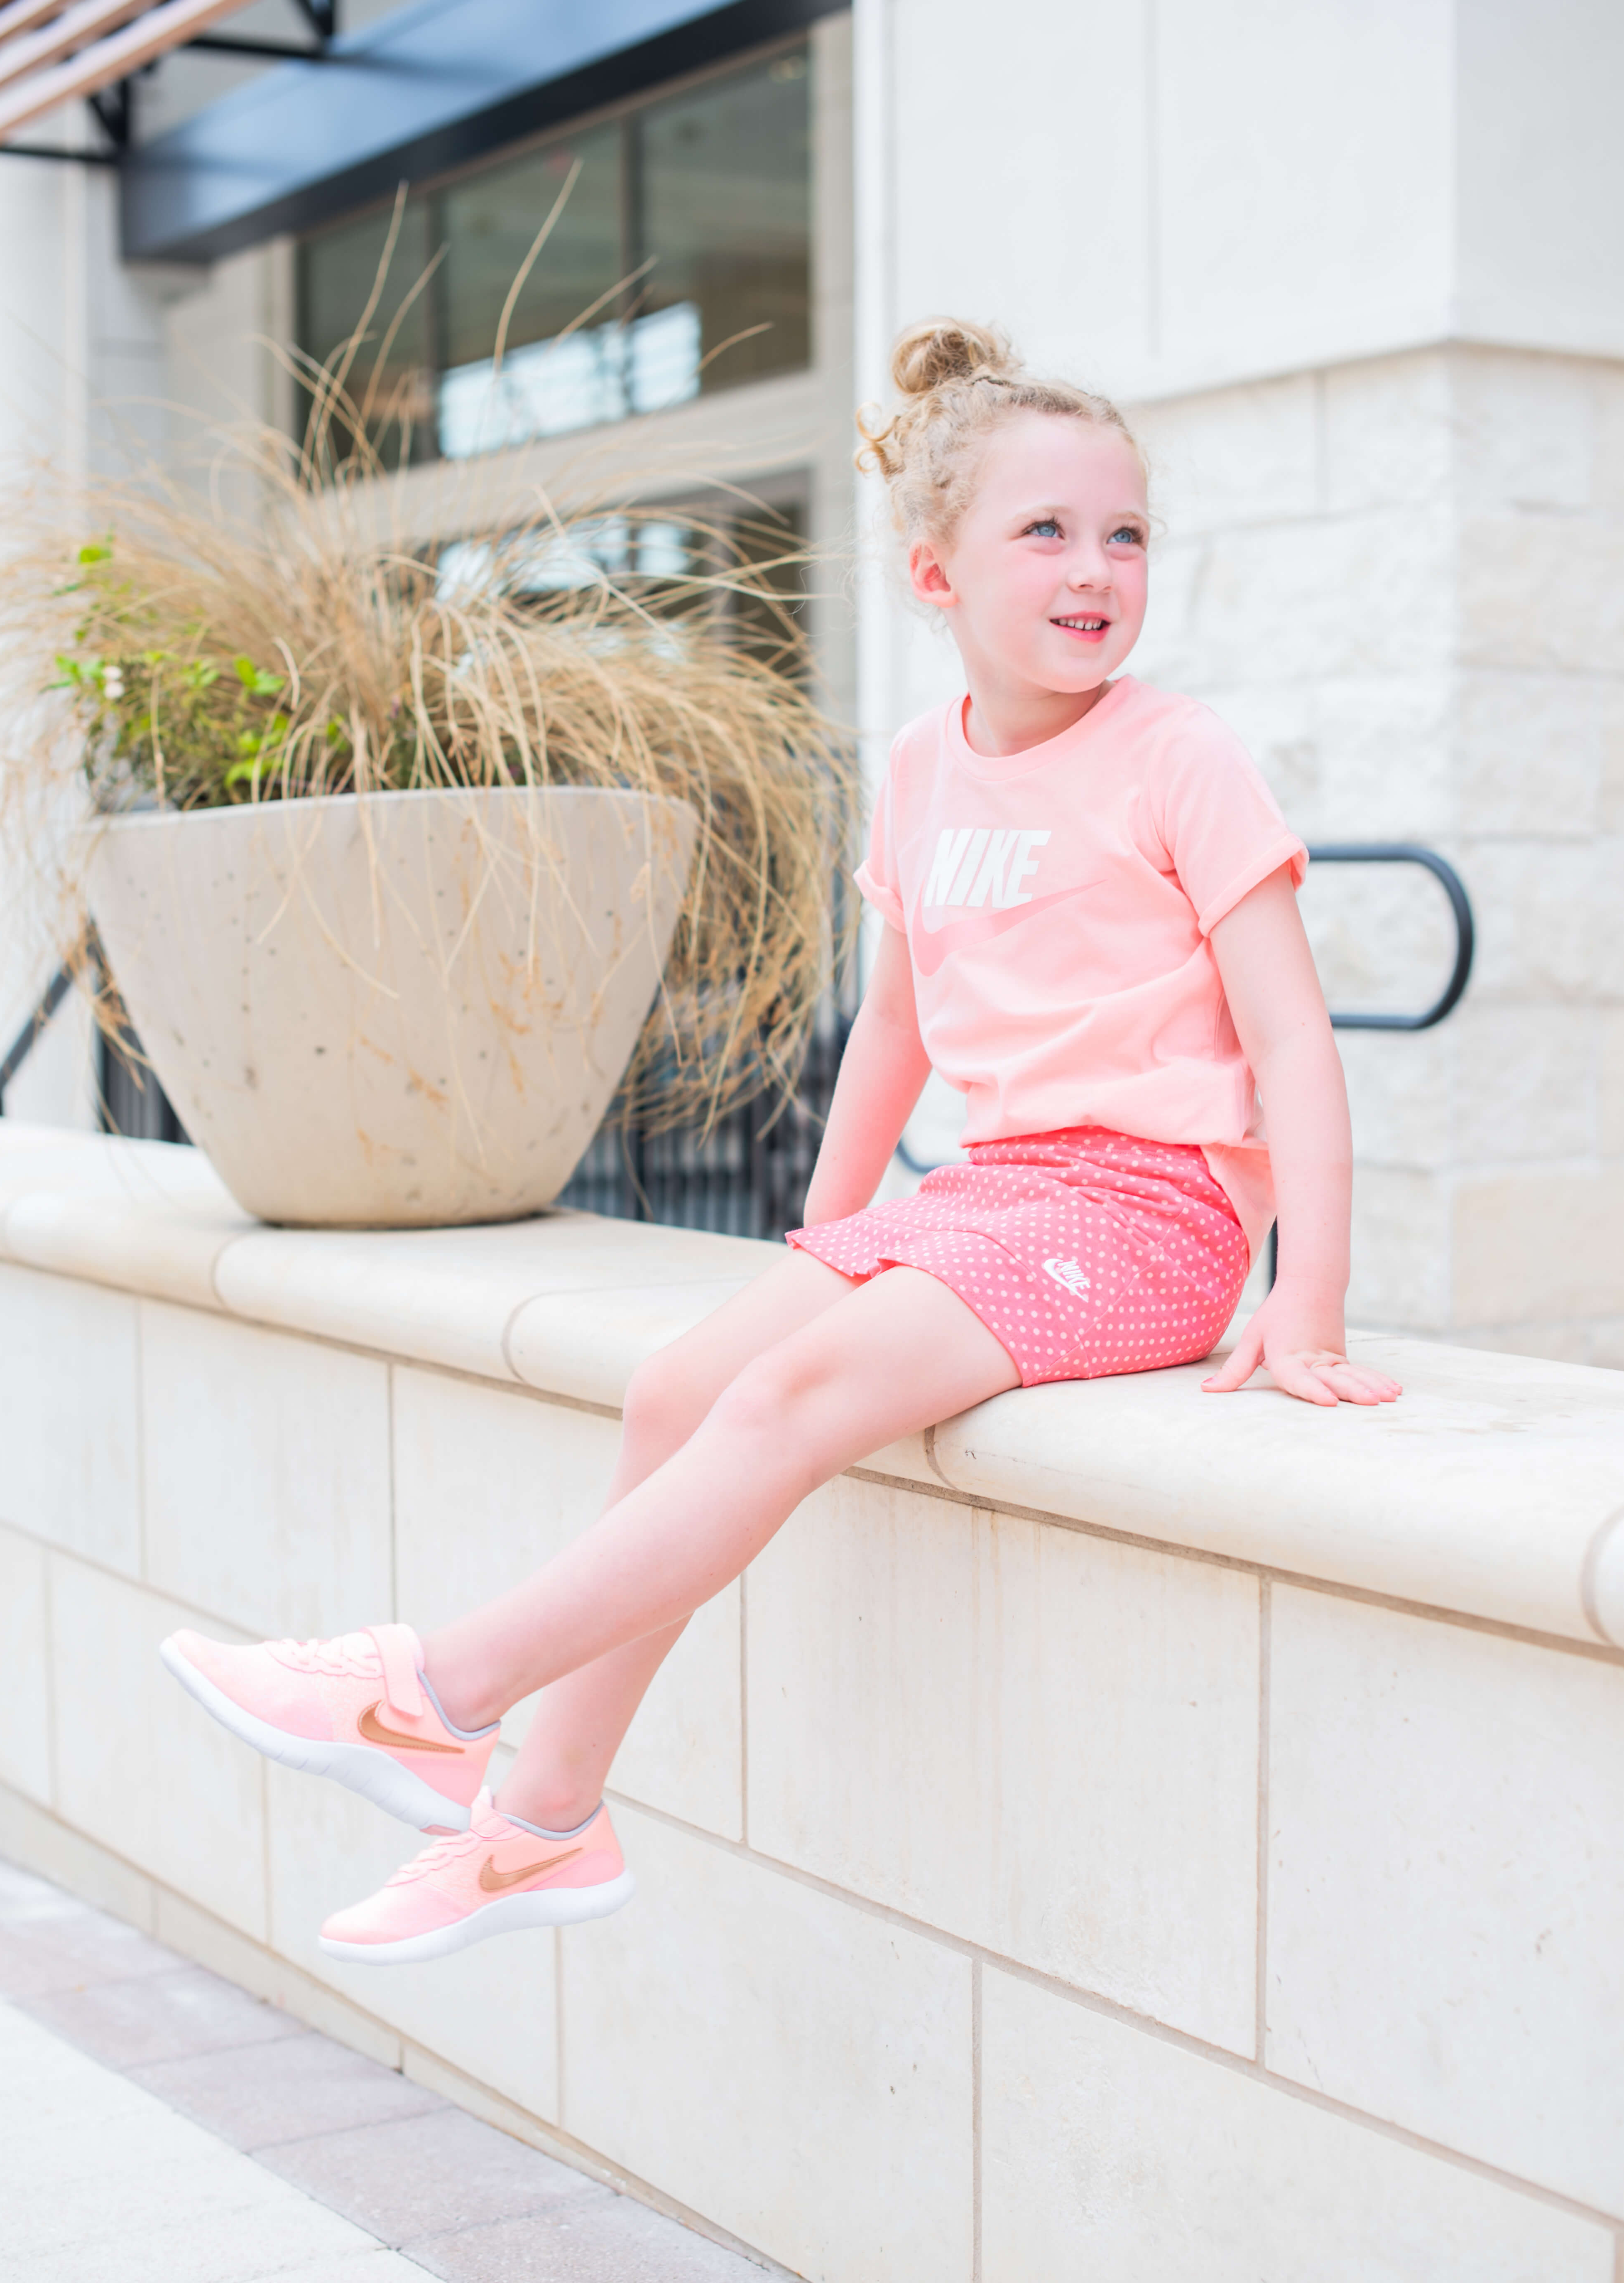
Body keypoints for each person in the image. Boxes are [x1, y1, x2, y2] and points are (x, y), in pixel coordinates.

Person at [161, 317, 1400, 1964]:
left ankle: (435, 1690)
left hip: (1149, 1212)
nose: (1095, 566)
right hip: (992, 1198)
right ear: (936, 573)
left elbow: (1294, 1035)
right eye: (1044, 530)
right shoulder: (923, 768)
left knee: (783, 1399)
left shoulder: (1177, 755)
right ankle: (547, 1820)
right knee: (679, 1386)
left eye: (1125, 533)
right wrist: (830, 1239)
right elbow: (894, 1026)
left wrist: (1305, 1299)